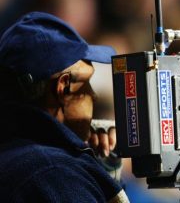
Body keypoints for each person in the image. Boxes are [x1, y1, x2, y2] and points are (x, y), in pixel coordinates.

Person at [0, 12, 129, 202]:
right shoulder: (55, 174)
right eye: (87, 83)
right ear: (63, 87)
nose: (94, 95)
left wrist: (102, 169)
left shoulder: (18, 154)